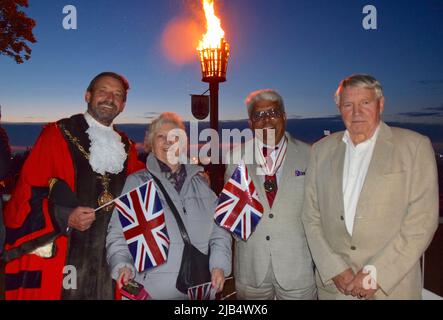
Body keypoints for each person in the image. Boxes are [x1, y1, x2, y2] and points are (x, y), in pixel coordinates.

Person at [2, 72, 145, 300]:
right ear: (87, 96)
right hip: (65, 257)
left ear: (123, 105)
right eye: (103, 91)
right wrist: (64, 215)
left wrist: (191, 177)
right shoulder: (58, 135)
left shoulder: (127, 149)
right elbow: (27, 193)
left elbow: (146, 187)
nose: (110, 98)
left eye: (117, 94)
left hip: (109, 260)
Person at [302, 74, 439, 300]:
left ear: (380, 104)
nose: (356, 112)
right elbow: (310, 216)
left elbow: (422, 221)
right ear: (339, 108)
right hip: (336, 289)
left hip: (392, 288)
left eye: (365, 103)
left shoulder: (414, 147)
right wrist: (333, 267)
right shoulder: (320, 150)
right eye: (348, 104)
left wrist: (377, 274)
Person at [106, 112, 232, 299]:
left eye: (174, 137)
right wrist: (122, 264)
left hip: (198, 288)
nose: (168, 142)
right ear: (151, 143)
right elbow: (118, 233)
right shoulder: (137, 182)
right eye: (161, 136)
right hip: (152, 291)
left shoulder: (201, 185)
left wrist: (219, 265)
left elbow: (220, 229)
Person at [224, 89, 316, 300]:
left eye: (273, 113)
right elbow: (230, 212)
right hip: (251, 268)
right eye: (259, 115)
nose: (266, 120)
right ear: (250, 122)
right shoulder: (235, 157)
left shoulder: (309, 154)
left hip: (297, 268)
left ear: (284, 116)